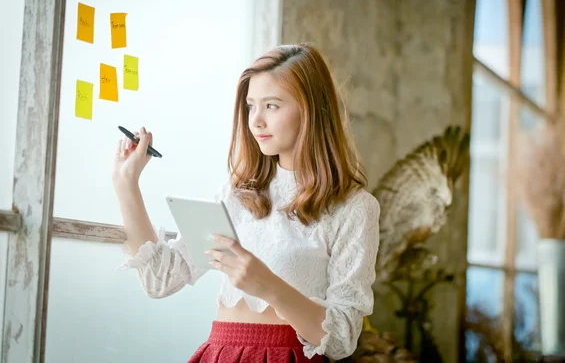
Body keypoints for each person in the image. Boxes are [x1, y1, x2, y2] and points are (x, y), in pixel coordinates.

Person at [112, 44, 380, 363]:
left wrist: (268, 286)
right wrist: (126, 184)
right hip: (219, 354)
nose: (256, 121)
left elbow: (341, 341)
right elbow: (160, 279)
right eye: (251, 106)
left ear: (311, 109)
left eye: (272, 105)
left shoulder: (352, 208)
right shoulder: (236, 194)